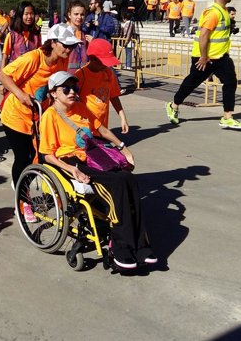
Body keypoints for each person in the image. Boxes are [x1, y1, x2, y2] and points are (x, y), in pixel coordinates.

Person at [39, 71, 156, 269]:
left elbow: (101, 129)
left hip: (94, 155)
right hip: (72, 160)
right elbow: (47, 155)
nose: (72, 92)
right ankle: (121, 250)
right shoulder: (50, 116)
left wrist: (123, 147)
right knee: (116, 186)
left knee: (128, 179)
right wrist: (71, 169)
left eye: (74, 88)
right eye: (65, 89)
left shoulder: (81, 108)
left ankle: (141, 247)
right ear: (53, 93)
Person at [0, 24, 77, 187]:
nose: (69, 50)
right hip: (16, 115)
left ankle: (21, 184)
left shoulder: (63, 60)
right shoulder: (33, 58)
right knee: (23, 156)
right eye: (66, 45)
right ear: (53, 42)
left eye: (72, 46)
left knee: (38, 155)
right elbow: (2, 75)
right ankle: (21, 198)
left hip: (38, 116)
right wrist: (21, 95)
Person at [166, 0, 241, 130]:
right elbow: (204, 35)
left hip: (221, 57)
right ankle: (173, 105)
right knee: (192, 82)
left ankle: (227, 117)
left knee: (230, 82)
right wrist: (203, 57)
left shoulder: (224, 11)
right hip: (205, 58)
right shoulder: (213, 12)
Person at [76, 39, 129, 133]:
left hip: (103, 127)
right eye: (103, 62)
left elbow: (114, 96)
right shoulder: (81, 75)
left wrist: (122, 117)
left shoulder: (108, 73)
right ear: (93, 58)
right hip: (85, 127)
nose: (105, 65)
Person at [0, 1, 42, 72]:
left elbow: (39, 55)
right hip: (14, 74)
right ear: (20, 15)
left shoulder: (37, 35)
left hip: (31, 74)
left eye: (31, 14)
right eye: (26, 14)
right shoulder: (12, 35)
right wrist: (2, 78)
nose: (29, 17)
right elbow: (5, 57)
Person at [64, 0, 88, 73]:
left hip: (83, 76)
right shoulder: (63, 32)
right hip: (66, 76)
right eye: (76, 14)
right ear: (69, 15)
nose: (79, 17)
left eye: (82, 14)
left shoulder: (84, 35)